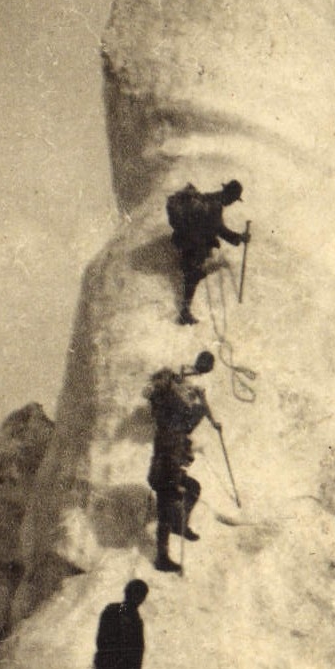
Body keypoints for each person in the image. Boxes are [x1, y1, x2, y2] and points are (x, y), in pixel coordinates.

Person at [145, 353, 221, 573]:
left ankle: (181, 524)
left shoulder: (174, 430)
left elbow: (181, 450)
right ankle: (162, 557)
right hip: (165, 475)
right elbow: (170, 457)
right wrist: (177, 480)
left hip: (168, 472)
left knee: (193, 489)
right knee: (165, 514)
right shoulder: (169, 432)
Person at [166, 180, 247, 324]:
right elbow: (222, 231)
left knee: (194, 269)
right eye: (234, 199)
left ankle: (185, 309)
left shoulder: (211, 197)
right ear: (229, 196)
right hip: (190, 241)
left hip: (184, 236)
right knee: (193, 275)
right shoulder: (216, 206)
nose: (232, 203)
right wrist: (240, 238)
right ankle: (184, 313)